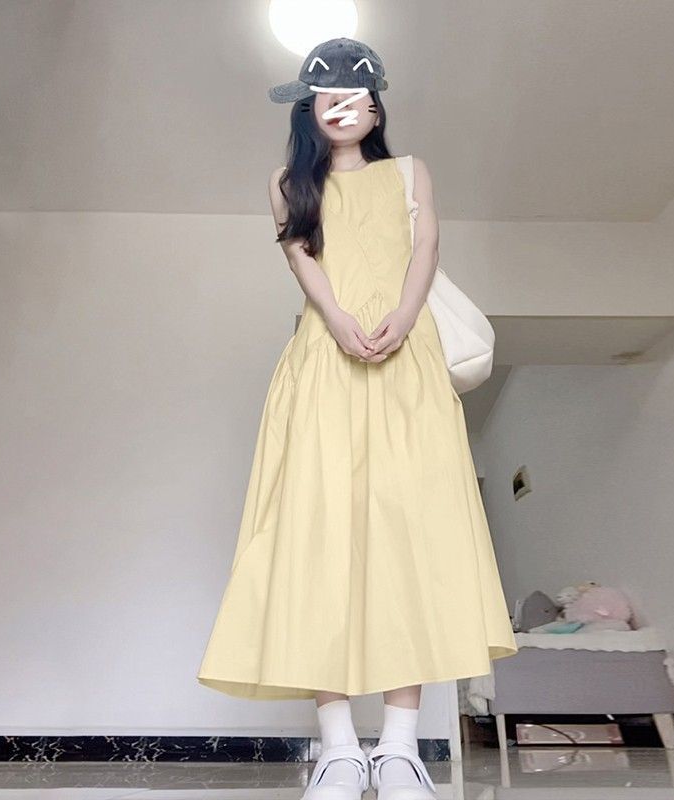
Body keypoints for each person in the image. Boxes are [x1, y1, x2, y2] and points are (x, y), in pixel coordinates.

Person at [196, 37, 518, 800]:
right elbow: (301, 259)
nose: (341, 107)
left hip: (407, 363)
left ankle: (399, 749)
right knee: (317, 537)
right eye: (326, 96)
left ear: (376, 107)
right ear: (308, 110)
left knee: (410, 535)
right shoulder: (286, 184)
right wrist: (340, 321)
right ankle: (339, 748)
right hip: (324, 360)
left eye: (355, 95)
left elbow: (425, 247)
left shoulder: (410, 172)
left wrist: (403, 319)